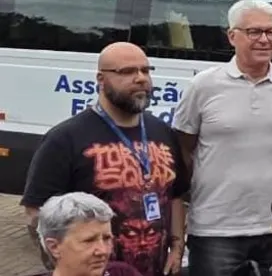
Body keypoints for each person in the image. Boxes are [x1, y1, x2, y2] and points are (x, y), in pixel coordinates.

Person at [22, 42, 188, 276]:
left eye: (146, 70)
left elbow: (175, 195)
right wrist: (63, 266)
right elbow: (37, 212)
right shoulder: (65, 138)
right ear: (101, 79)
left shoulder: (162, 132)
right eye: (127, 72)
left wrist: (177, 247)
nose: (141, 78)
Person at [173, 0, 272, 276]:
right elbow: (182, 149)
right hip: (215, 230)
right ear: (232, 36)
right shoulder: (204, 85)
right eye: (254, 32)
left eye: (271, 32)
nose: (264, 40)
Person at [32, 192, 143, 276]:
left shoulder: (121, 273)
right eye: (89, 240)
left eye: (107, 238)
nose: (103, 251)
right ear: (54, 247)